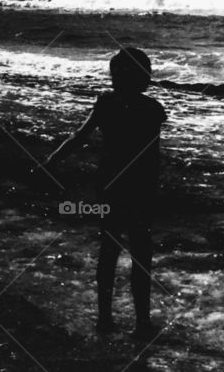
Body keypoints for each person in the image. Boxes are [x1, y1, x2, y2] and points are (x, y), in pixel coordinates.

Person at [39, 47, 167, 339]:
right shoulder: (152, 110)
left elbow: (79, 136)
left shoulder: (105, 103)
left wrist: (52, 159)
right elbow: (152, 158)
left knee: (108, 251)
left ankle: (105, 318)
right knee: (141, 256)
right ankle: (142, 323)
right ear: (144, 79)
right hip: (141, 189)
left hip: (109, 186)